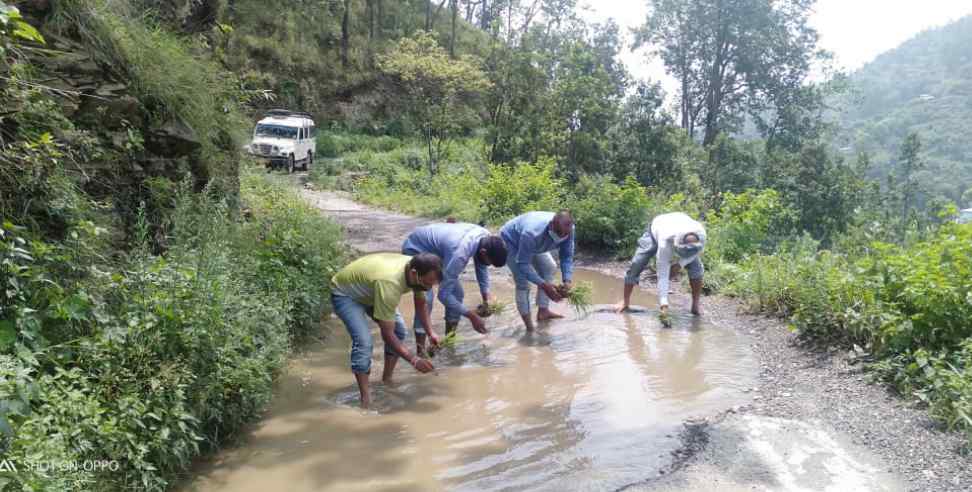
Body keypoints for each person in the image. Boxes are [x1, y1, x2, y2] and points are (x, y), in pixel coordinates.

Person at [330, 252, 443, 409]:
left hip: (371, 290)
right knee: (364, 342)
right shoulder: (390, 284)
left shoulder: (418, 270)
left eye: (433, 284)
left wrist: (431, 332)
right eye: (428, 283)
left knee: (399, 331)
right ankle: (365, 399)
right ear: (414, 274)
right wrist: (414, 360)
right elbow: (387, 335)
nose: (429, 287)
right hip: (346, 294)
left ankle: (387, 379)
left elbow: (420, 303)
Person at [401, 222, 509, 356]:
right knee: (426, 299)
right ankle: (421, 352)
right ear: (483, 252)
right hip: (416, 248)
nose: (488, 265)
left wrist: (486, 297)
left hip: (439, 254)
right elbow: (443, 295)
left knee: (457, 293)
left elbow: (481, 267)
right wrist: (471, 316)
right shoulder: (460, 254)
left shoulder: (487, 239)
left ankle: (449, 342)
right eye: (489, 262)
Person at [615, 212, 706, 316]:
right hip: (656, 230)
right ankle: (625, 301)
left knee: (696, 269)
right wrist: (664, 304)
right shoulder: (665, 242)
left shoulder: (701, 235)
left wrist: (679, 265)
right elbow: (663, 275)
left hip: (681, 224)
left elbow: (696, 253)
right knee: (637, 263)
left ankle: (695, 306)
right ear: (677, 245)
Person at [499, 210, 575, 331]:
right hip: (512, 241)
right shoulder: (531, 233)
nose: (561, 237)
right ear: (551, 225)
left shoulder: (569, 230)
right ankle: (529, 327)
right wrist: (545, 286)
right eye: (559, 233)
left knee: (549, 267)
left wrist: (567, 280)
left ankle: (543, 312)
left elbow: (566, 256)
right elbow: (523, 264)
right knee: (522, 282)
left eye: (564, 234)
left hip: (536, 243)